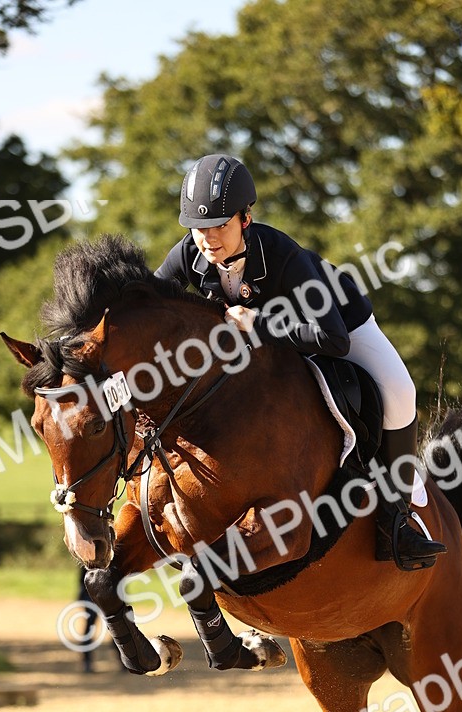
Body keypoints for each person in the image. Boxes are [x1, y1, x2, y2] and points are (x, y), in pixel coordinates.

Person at [155, 153, 446, 571]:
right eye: (198, 228)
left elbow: (332, 338)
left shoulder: (285, 257)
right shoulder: (190, 253)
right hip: (272, 343)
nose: (208, 237)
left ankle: (398, 520)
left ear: (245, 218)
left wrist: (259, 325)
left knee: (401, 392)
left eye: (220, 224)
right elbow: (148, 303)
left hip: (339, 325)